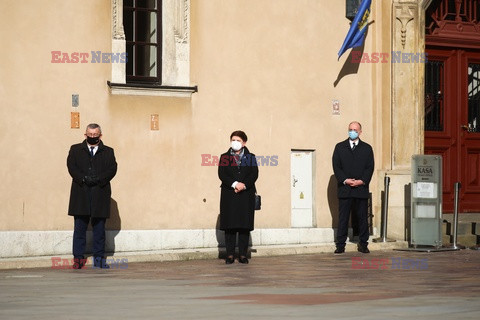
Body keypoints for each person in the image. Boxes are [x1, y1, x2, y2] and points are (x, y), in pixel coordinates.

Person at [67, 123, 117, 269]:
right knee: (79, 229)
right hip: (80, 194)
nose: (92, 137)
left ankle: (99, 260)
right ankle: (78, 260)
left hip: (100, 194)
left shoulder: (108, 151)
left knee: (99, 230)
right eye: (90, 134)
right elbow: (71, 166)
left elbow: (112, 169)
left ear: (100, 136)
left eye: (95, 135)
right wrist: (83, 178)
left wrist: (99, 179)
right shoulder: (75, 149)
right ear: (85, 134)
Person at [332, 121, 374, 254]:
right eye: (350, 129)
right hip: (345, 189)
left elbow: (369, 167)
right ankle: (340, 245)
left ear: (360, 132)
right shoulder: (339, 147)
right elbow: (336, 166)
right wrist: (345, 180)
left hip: (360, 189)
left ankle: (363, 244)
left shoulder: (367, 148)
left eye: (355, 130)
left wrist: (361, 181)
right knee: (343, 218)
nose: (352, 132)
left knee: (362, 218)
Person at [218, 130, 259, 264]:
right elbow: (222, 174)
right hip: (229, 194)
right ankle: (229, 254)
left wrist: (244, 185)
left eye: (238, 140)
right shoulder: (224, 157)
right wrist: (235, 184)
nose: (235, 142)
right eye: (233, 140)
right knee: (230, 226)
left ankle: (242, 254)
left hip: (245, 195)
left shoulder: (251, 157)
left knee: (244, 226)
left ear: (244, 142)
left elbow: (254, 174)